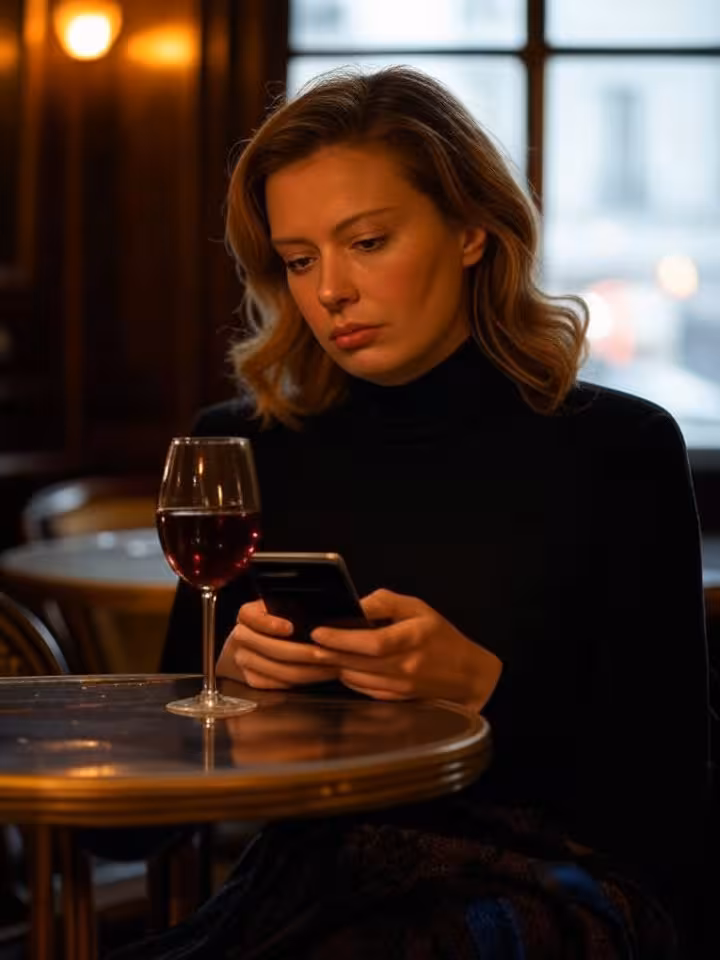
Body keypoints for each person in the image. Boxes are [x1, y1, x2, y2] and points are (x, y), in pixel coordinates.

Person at [114, 66, 710, 958]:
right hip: (313, 889)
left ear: (472, 228)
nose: (329, 293)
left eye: (368, 242)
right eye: (301, 259)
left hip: (568, 885)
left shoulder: (618, 448)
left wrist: (488, 695)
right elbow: (150, 813)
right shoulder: (243, 451)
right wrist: (227, 695)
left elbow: (666, 803)